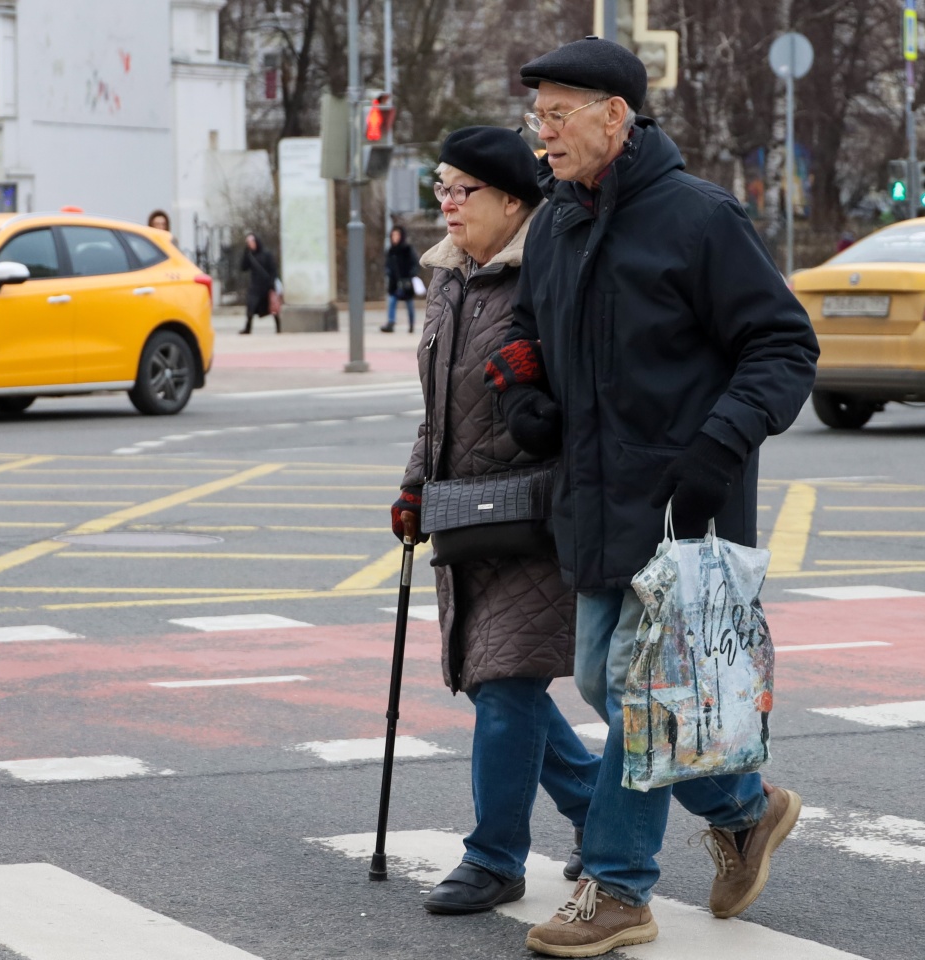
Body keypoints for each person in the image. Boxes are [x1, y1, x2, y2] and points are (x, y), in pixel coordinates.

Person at [483, 38, 819, 957]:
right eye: (537, 117)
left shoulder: (699, 217)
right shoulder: (557, 221)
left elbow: (785, 346)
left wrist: (720, 444)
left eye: (557, 115)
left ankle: (618, 887)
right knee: (603, 676)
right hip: (593, 500)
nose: (541, 134)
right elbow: (524, 326)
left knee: (640, 694)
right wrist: (521, 388)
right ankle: (745, 810)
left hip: (683, 503)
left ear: (615, 117)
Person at [394, 126, 601, 916]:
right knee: (493, 684)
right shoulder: (450, 281)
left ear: (512, 202)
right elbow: (438, 415)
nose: (445, 203)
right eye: (439, 186)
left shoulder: (546, 277)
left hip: (536, 513)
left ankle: (494, 859)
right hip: (467, 517)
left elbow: (577, 400)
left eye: (461, 189)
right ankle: (591, 805)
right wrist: (415, 487)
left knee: (506, 681)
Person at [380, 226, 420, 332]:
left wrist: (411, 275)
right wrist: (388, 272)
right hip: (394, 282)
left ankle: (411, 324)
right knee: (392, 301)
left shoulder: (407, 249)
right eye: (393, 235)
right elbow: (388, 265)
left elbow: (415, 263)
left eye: (397, 235)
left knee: (409, 303)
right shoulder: (391, 251)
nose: (395, 238)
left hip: (406, 281)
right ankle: (391, 322)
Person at [239, 233, 279, 335]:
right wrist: (246, 252)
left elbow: (273, 270)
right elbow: (243, 267)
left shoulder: (266, 254)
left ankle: (279, 327)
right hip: (255, 286)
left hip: (267, 285)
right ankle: (248, 328)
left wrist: (271, 284)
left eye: (252, 241)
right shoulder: (250, 255)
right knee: (250, 307)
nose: (251, 244)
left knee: (273, 307)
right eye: (248, 242)